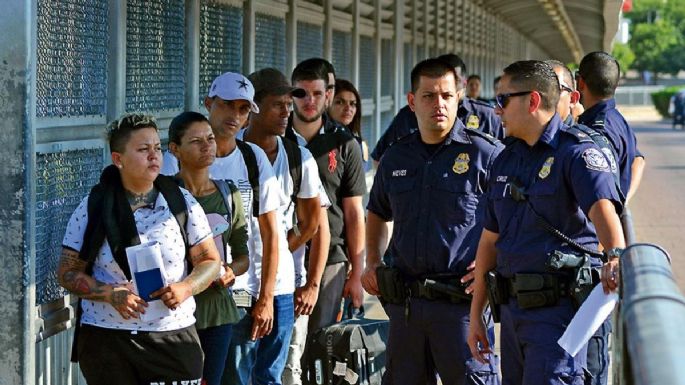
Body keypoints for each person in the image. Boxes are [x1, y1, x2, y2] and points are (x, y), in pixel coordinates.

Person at [467, 60, 625, 385]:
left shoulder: (576, 152)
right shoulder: (505, 158)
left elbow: (603, 211)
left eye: (503, 100)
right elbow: (488, 241)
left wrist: (615, 257)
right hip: (511, 316)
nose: (496, 110)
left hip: (558, 317)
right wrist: (476, 316)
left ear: (533, 101)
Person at [361, 58, 502, 385]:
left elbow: (512, 220)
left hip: (461, 308)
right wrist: (371, 260)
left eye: (446, 96)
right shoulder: (397, 157)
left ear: (460, 97)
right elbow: (378, 211)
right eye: (428, 96)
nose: (438, 104)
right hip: (406, 308)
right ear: (412, 102)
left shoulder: (486, 156)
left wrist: (495, 264)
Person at [57, 113, 221, 384]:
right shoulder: (92, 206)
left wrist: (186, 287)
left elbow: (209, 260)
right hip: (107, 340)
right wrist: (110, 294)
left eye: (157, 148)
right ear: (118, 159)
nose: (154, 156)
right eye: (143, 150)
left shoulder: (182, 202)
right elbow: (67, 272)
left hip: (172, 336)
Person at [161, 72, 286, 385]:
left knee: (236, 377)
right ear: (209, 103)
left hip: (239, 296)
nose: (235, 115)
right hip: (181, 299)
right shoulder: (169, 163)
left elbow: (271, 233)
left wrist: (266, 297)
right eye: (228, 105)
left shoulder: (252, 157)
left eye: (244, 109)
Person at [242, 67, 331, 385]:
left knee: (275, 371)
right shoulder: (227, 152)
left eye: (288, 105)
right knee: (237, 368)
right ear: (254, 107)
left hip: (282, 288)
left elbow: (313, 226)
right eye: (277, 104)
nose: (286, 112)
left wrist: (276, 254)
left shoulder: (299, 159)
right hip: (238, 288)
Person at [167, 111, 250, 385]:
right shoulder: (164, 195)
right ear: (174, 149)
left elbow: (242, 255)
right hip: (175, 312)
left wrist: (229, 270)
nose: (207, 146)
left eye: (210, 139)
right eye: (196, 141)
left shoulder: (228, 194)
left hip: (218, 311)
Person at [285, 59, 367, 333]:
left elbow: (355, 213)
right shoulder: (275, 138)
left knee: (323, 344)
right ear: (290, 94)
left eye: (317, 94)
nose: (309, 100)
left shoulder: (345, 143)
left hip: (332, 259)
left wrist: (357, 272)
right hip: (282, 254)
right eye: (301, 93)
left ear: (327, 96)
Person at [371, 53, 504, 165]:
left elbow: (507, 160)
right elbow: (379, 156)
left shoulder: (487, 116)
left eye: (455, 80)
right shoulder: (409, 114)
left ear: (464, 82)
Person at [576, 51, 645, 204]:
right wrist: (624, 200)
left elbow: (599, 189)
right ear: (615, 85)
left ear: (580, 82)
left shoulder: (596, 130)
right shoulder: (618, 121)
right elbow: (638, 161)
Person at [328, 78, 370, 171]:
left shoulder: (360, 143)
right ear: (327, 104)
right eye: (340, 102)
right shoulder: (321, 138)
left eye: (352, 104)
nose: (348, 108)